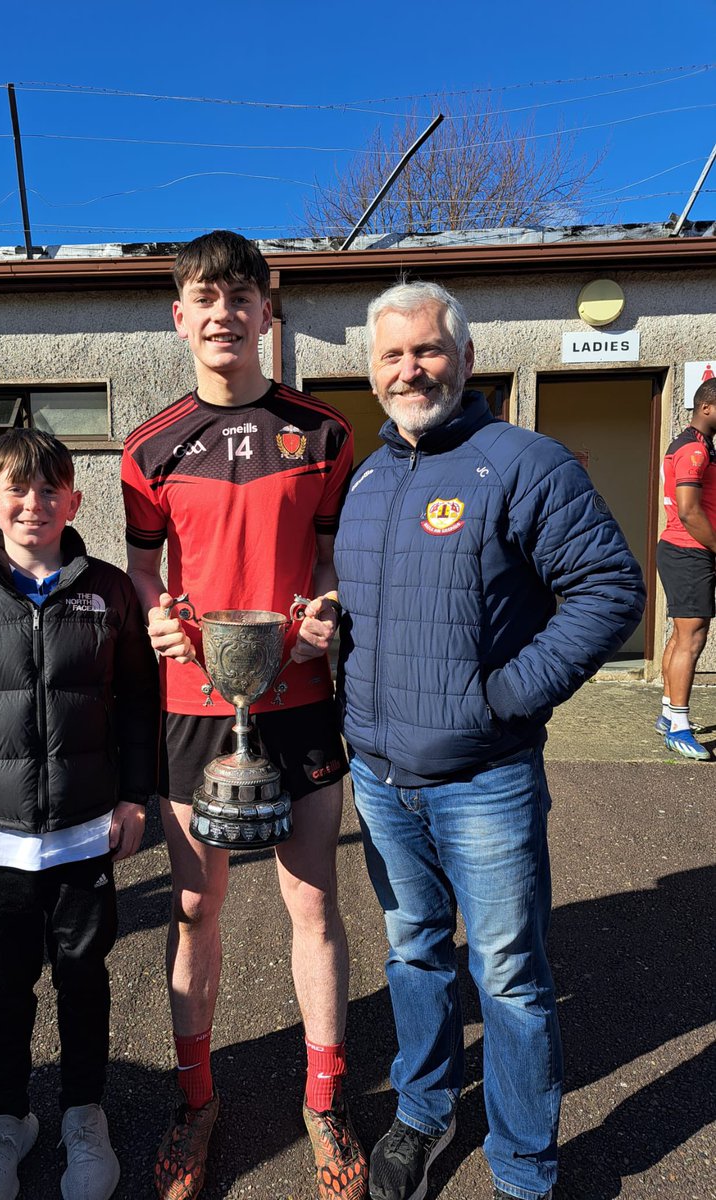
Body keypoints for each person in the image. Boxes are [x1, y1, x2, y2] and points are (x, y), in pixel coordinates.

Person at [333, 281, 646, 1200]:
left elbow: (608, 590)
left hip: (485, 777)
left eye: (426, 350)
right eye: (391, 356)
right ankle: (424, 1113)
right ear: (374, 371)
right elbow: (377, 613)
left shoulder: (523, 462)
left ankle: (522, 1168)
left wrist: (506, 697)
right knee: (415, 954)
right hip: (383, 779)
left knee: (508, 975)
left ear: (465, 359)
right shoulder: (369, 477)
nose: (409, 369)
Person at [122, 230, 366, 1200]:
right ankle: (197, 1102)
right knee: (197, 909)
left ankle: (324, 1099)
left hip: (301, 700)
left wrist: (330, 610)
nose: (223, 313)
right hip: (192, 708)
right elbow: (145, 568)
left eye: (241, 296)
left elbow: (335, 555)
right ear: (178, 317)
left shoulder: (325, 434)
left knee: (314, 904)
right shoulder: (150, 446)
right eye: (203, 298)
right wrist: (156, 620)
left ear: (269, 312)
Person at [0, 429, 160, 1200]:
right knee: (5, 984)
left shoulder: (110, 589)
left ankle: (86, 1115)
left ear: (74, 502)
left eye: (50, 489)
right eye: (16, 489)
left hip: (86, 831)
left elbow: (140, 702)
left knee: (84, 980)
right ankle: (7, 1121)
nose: (33, 503)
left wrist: (133, 797)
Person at [654, 376, 716, 760]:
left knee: (682, 635)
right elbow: (690, 510)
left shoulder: (696, 443)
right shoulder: (694, 448)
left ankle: (667, 713)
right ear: (707, 407)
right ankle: (678, 726)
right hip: (689, 550)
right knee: (691, 638)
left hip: (686, 550)